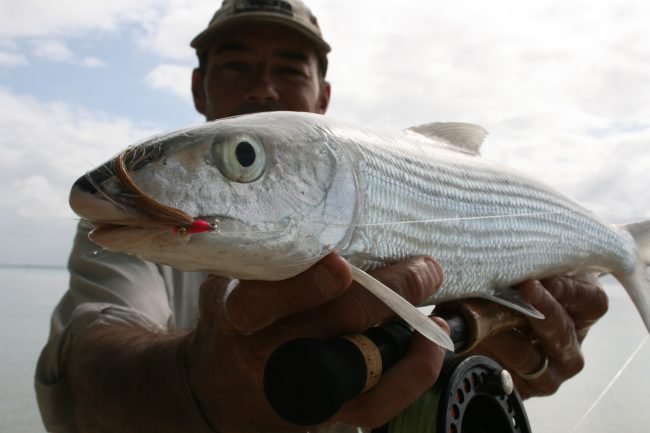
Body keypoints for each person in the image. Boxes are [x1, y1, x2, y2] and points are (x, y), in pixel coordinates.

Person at [35, 1, 609, 432]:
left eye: (289, 69)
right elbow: (91, 365)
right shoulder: (128, 236)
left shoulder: (386, 179)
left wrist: (500, 366)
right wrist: (199, 379)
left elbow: (443, 377)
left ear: (323, 96)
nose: (263, 88)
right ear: (197, 87)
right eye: (235, 66)